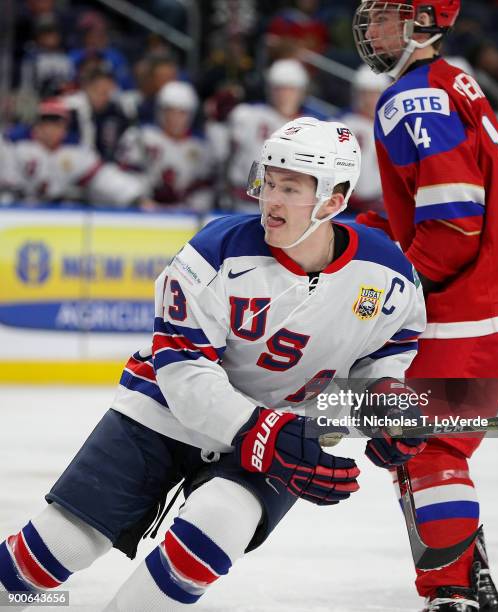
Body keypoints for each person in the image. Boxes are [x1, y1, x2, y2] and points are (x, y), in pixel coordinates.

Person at [0, 117, 427, 610]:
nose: (271, 200)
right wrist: (264, 432)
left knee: (216, 528)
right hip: (164, 414)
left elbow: (385, 352)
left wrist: (386, 400)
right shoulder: (215, 252)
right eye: (268, 182)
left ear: (333, 200)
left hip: (279, 429)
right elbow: (182, 370)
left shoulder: (388, 275)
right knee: (59, 547)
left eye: (290, 188)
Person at [352, 1, 498, 611]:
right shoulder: (449, 80)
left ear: (423, 22)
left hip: (488, 294)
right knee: (435, 441)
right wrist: (382, 232)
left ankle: (452, 592)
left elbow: (455, 224)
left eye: (386, 16)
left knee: (420, 441)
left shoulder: (412, 97)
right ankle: (470, 576)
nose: (371, 29)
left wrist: (395, 291)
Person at [10, 98, 147, 207]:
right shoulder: (16, 150)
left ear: (64, 128)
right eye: (46, 122)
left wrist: (135, 197)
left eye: (57, 123)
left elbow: (104, 178)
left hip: (60, 218)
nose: (51, 128)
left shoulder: (76, 155)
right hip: (20, 213)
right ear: (36, 125)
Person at [226, 58, 321, 211]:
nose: (284, 95)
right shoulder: (248, 115)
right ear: (270, 89)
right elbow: (224, 155)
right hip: (245, 203)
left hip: (291, 207)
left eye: (291, 89)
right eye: (279, 88)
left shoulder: (313, 126)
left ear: (302, 92)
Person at [116, 81, 214, 212]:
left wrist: (191, 207)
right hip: (143, 212)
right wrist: (140, 197)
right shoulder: (140, 138)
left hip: (183, 216)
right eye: (170, 111)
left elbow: (204, 189)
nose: (175, 118)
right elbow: (124, 176)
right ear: (160, 111)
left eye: (181, 112)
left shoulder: (200, 149)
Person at [339, 64, 390, 214]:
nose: (369, 99)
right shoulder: (343, 123)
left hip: (383, 205)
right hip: (346, 203)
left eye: (374, 94)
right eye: (365, 93)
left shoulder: (395, 127)